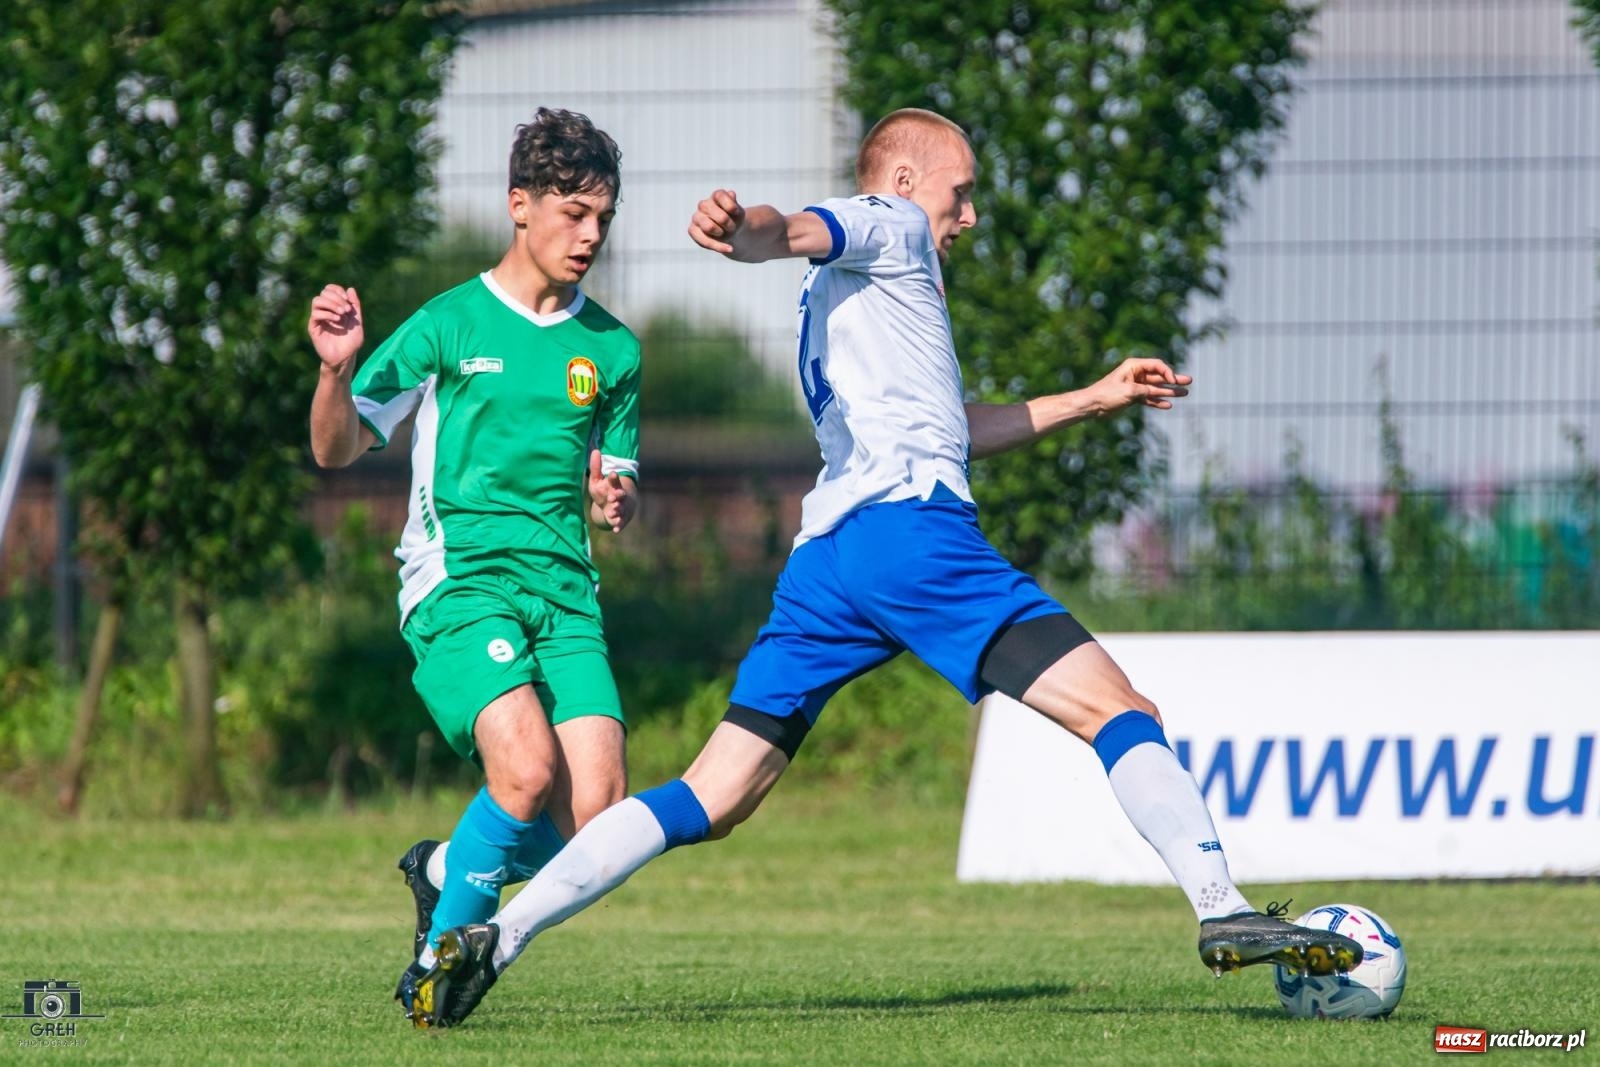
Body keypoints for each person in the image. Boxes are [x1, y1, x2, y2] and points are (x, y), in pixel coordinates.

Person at [408, 107, 1363, 1029]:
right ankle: (1220, 900)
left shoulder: (863, 299)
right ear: (908, 183)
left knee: (711, 795)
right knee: (1123, 710)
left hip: (830, 557)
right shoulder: (893, 221)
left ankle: (500, 933)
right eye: (964, 191)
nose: (969, 215)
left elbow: (956, 429)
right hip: (914, 538)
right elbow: (797, 228)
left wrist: (1096, 395)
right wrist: (745, 230)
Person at [305, 107, 642, 1024]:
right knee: (525, 769)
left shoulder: (612, 349)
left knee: (602, 823)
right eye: (573, 212)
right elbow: (337, 451)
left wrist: (615, 499)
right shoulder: (448, 325)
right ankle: (437, 973)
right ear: (519, 206)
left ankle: (449, 864)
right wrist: (334, 374)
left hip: (566, 594)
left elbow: (615, 479)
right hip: (461, 584)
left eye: (603, 217)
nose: (590, 235)